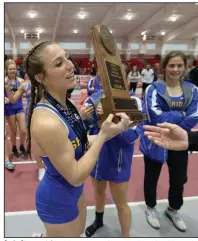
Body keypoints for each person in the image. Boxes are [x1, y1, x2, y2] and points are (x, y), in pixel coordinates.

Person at [24, 41, 133, 237]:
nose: (70, 65)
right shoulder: (47, 121)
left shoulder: (65, 105)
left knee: (78, 232)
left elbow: (81, 143)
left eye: (67, 57)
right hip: (58, 199)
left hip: (73, 193)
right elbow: (75, 176)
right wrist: (103, 136)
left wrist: (114, 131)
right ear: (41, 77)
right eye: (58, 63)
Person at [139, 51, 198, 232]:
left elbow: (194, 117)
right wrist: (181, 114)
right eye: (171, 65)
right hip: (154, 140)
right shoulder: (153, 89)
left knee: (179, 179)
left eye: (179, 65)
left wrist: (172, 117)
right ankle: (150, 208)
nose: (175, 69)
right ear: (164, 67)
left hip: (180, 142)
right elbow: (154, 116)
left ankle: (173, 209)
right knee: (151, 178)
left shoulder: (193, 90)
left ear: (185, 67)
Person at [83, 89, 142, 238]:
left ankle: (125, 236)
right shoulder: (94, 98)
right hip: (97, 155)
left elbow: (133, 135)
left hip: (119, 160)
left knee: (121, 203)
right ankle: (98, 220)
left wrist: (112, 117)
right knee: (98, 192)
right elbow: (84, 130)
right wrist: (84, 117)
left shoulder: (133, 100)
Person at [5, 79, 45, 181]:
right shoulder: (25, 85)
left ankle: (49, 164)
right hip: (31, 117)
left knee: (47, 142)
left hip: (46, 114)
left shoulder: (46, 81)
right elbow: (13, 100)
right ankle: (41, 168)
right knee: (35, 143)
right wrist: (7, 89)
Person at [4, 60, 28, 158]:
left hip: (19, 108)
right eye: (10, 69)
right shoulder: (4, 81)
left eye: (14, 69)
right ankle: (14, 148)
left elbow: (25, 94)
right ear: (6, 70)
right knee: (13, 131)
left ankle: (22, 146)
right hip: (9, 110)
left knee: (23, 130)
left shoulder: (21, 81)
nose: (12, 71)